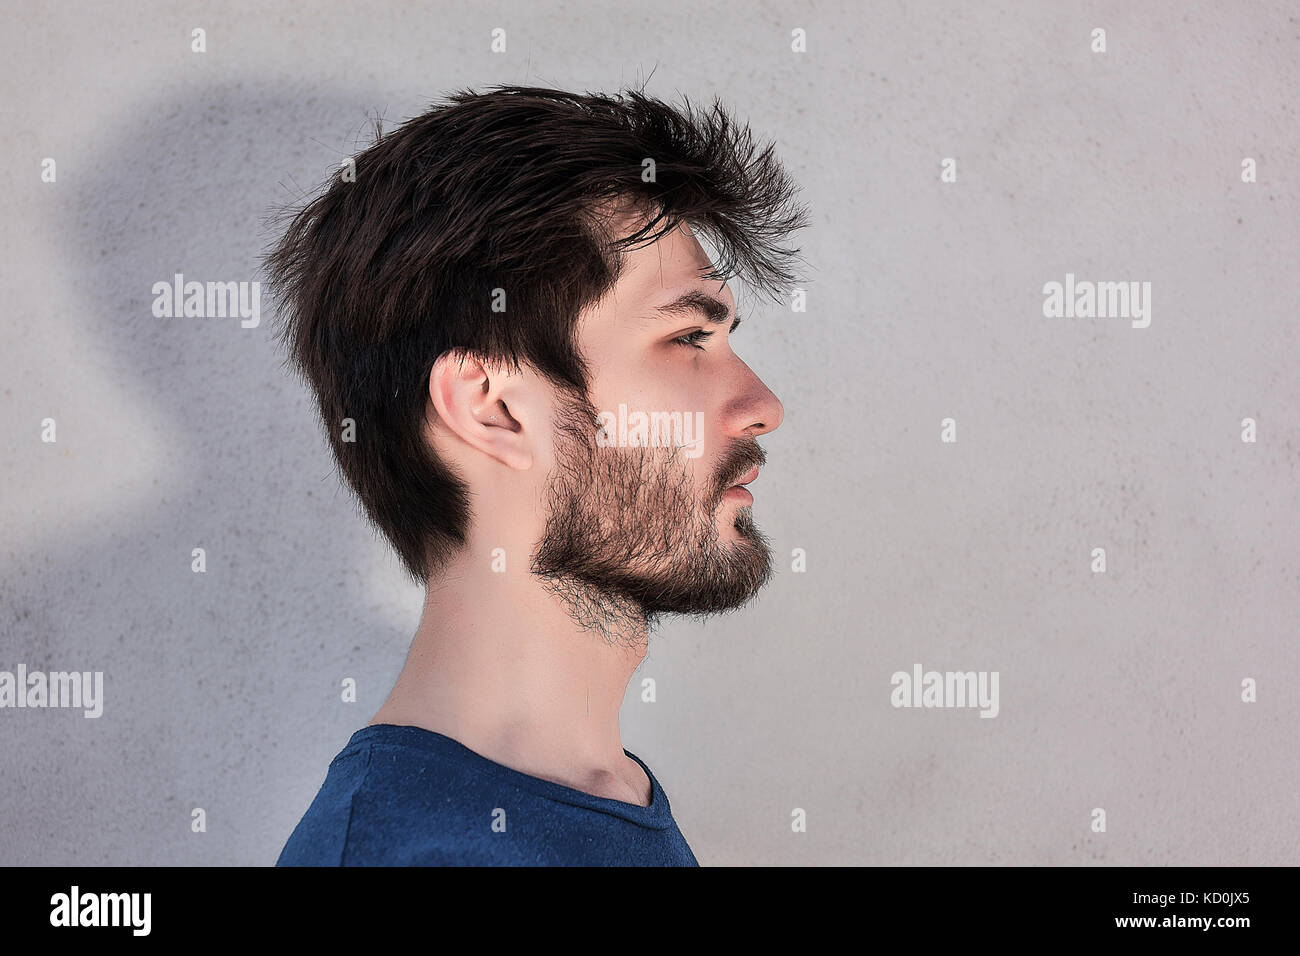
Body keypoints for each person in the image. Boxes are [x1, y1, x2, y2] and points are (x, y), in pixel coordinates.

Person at [266, 85, 808, 865]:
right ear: (493, 409)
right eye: (689, 335)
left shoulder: (599, 793)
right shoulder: (428, 855)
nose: (763, 406)